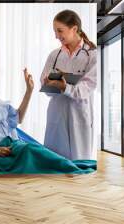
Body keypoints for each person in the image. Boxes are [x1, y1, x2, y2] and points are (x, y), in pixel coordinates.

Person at [0, 53, 95, 174]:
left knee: (39, 151)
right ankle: (79, 172)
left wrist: (29, 91)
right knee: (32, 151)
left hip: (11, 146)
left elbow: (18, 118)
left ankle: (80, 168)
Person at [40, 10, 97, 160]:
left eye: (60, 31)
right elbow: (44, 83)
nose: (56, 36)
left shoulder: (92, 54)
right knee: (54, 162)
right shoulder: (54, 55)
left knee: (78, 164)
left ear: (74, 29)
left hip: (79, 114)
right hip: (57, 113)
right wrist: (49, 84)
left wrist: (65, 87)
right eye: (55, 31)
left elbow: (88, 87)